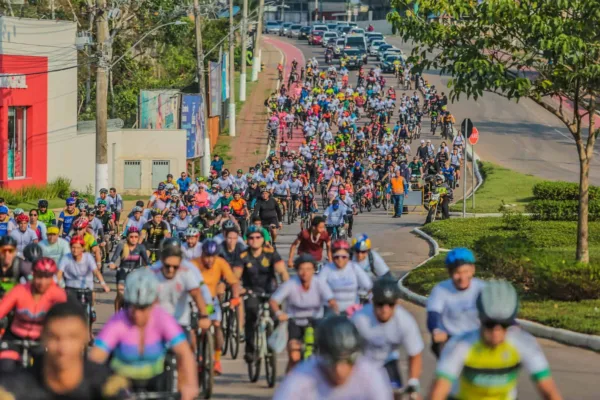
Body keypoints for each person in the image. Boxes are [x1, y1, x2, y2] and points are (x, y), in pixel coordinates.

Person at [430, 281, 563, 400]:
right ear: (480, 319)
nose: (496, 332)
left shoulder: (524, 343)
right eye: (490, 324)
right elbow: (439, 391)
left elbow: (549, 392)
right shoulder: (460, 345)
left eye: (504, 325)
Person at [89, 268, 199, 400]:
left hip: (157, 381)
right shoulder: (118, 321)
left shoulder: (163, 318)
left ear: (154, 303)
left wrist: (189, 385)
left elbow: (184, 353)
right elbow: (95, 357)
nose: (137, 314)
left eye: (143, 308)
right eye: (133, 306)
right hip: (122, 381)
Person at [0, 301, 130, 399]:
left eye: (72, 337)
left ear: (85, 337)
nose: (63, 348)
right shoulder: (12, 389)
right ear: (43, 337)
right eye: (54, 337)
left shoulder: (107, 386)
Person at [273, 315, 394, 400]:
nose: (339, 371)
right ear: (319, 357)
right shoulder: (300, 378)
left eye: (348, 360)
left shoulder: (371, 375)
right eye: (331, 361)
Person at [352, 278, 423, 394]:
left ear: (396, 303)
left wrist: (413, 382)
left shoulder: (405, 321)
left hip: (388, 362)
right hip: (363, 363)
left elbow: (415, 353)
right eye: (380, 304)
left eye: (390, 304)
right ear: (373, 302)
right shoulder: (359, 319)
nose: (385, 310)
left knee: (396, 393)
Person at [270, 254, 338, 372]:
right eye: (301, 269)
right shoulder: (291, 284)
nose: (305, 273)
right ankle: (290, 383)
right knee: (294, 356)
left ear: (313, 270)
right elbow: (274, 301)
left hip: (316, 321)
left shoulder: (319, 283)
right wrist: (279, 313)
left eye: (308, 269)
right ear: (297, 270)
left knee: (325, 355)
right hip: (295, 322)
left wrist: (334, 314)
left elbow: (331, 301)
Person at [0, 257, 67, 372]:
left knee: (49, 373)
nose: (42, 282)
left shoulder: (58, 295)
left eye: (47, 277)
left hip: (42, 340)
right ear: (33, 274)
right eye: (39, 276)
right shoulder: (20, 290)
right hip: (14, 338)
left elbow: (68, 320)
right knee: (5, 369)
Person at [239, 226, 289, 363]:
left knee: (277, 317)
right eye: (251, 238)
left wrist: (288, 289)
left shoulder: (271, 253)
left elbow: (282, 272)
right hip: (251, 291)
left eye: (258, 237)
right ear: (247, 240)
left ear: (263, 239)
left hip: (270, 290)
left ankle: (272, 340)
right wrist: (238, 289)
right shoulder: (243, 256)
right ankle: (249, 348)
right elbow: (235, 277)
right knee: (251, 314)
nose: (254, 240)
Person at [193, 240, 241, 375]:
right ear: (202, 254)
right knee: (194, 328)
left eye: (212, 256)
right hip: (195, 303)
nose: (209, 260)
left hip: (210, 303)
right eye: (206, 256)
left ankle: (217, 360)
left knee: (216, 324)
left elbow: (233, 282)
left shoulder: (220, 263)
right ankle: (197, 356)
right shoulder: (194, 265)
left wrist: (235, 298)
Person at [427, 247, 486, 358]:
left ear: (473, 270)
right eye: (457, 273)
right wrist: (435, 331)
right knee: (446, 371)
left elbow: (495, 311)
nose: (462, 277)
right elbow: (433, 314)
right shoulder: (440, 290)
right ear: (450, 272)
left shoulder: (482, 288)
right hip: (450, 340)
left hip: (476, 339)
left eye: (466, 271)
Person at [58, 236, 110, 340]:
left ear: (82, 248)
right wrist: (57, 285)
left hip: (86, 288)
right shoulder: (66, 257)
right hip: (70, 288)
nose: (75, 250)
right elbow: (59, 273)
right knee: (67, 312)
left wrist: (103, 284)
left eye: (78, 247)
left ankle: (89, 333)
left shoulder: (88, 257)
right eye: (73, 247)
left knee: (90, 312)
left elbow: (96, 271)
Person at [318, 240, 372, 314]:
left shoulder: (354, 268)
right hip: (330, 313)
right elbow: (316, 288)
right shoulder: (326, 269)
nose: (340, 260)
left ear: (348, 256)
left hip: (352, 312)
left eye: (344, 257)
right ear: (332, 256)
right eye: (337, 257)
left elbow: (369, 287)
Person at [108, 227, 150, 311]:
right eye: (131, 237)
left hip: (136, 274)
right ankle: (116, 317)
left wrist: (148, 267)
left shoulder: (141, 247)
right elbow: (114, 258)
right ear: (127, 237)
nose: (134, 239)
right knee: (120, 294)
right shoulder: (121, 245)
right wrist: (112, 264)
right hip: (122, 273)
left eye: (136, 237)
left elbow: (147, 261)